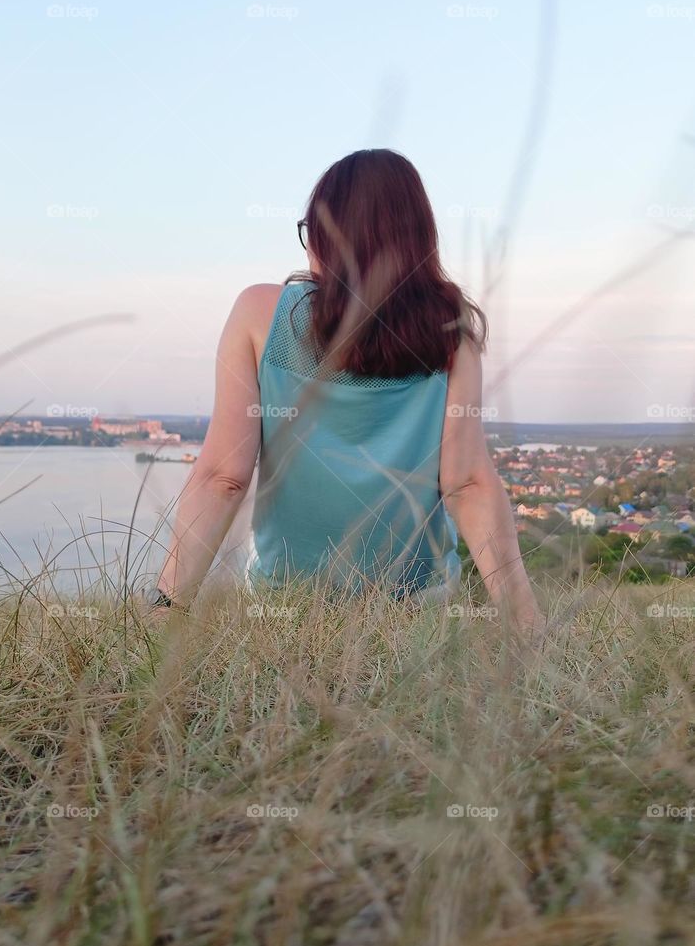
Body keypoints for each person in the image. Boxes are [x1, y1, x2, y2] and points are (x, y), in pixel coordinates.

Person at [150, 149, 544, 639]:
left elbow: (223, 478)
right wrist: (526, 620)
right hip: (419, 612)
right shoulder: (451, 328)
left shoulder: (260, 315)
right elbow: (468, 484)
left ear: (324, 238)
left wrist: (167, 605)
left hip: (285, 609)